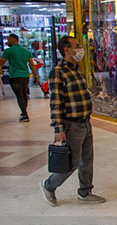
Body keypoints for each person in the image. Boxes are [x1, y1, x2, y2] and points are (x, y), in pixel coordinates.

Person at [39, 35, 105, 206]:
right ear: (66, 50)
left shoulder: (77, 70)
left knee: (87, 160)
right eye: (77, 46)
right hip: (71, 124)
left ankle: (85, 192)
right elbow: (56, 102)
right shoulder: (58, 72)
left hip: (85, 122)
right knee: (72, 162)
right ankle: (49, 185)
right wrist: (58, 128)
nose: (80, 49)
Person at [0, 34, 37, 122]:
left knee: (19, 95)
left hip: (15, 76)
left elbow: (2, 62)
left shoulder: (8, 51)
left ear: (13, 40)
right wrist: (35, 74)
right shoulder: (26, 51)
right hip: (25, 75)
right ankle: (24, 112)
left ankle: (24, 114)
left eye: (8, 40)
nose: (7, 42)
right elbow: (32, 64)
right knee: (24, 94)